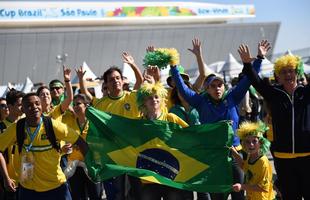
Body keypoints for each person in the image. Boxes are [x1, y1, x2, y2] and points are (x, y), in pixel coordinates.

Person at [170, 40, 271, 200]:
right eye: (213, 86)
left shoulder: (232, 97)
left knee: (238, 194)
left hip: (235, 155)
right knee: (218, 196)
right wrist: (174, 67)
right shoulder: (201, 102)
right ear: (207, 89)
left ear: (224, 87)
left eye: (220, 85)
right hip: (214, 156)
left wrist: (259, 58)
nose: (217, 88)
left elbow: (249, 80)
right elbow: (182, 88)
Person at [241, 50, 310, 199]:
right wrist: (248, 63)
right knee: (290, 196)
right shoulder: (274, 94)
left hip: (307, 155)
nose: (288, 75)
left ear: (297, 72)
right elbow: (255, 80)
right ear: (278, 75)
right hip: (283, 157)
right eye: (283, 72)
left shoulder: (306, 93)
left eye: (291, 71)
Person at [77, 52, 143, 200]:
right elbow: (86, 95)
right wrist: (81, 79)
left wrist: (132, 64)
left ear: (122, 80)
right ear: (105, 84)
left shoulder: (131, 97)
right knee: (119, 193)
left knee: (137, 192)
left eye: (118, 78)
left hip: (134, 153)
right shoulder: (101, 104)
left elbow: (140, 80)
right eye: (111, 80)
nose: (116, 81)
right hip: (114, 156)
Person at [0, 93, 88, 200]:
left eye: (37, 103)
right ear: (23, 109)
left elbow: (80, 141)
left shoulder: (53, 125)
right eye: (29, 105)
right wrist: (6, 178)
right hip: (28, 190)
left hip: (56, 187)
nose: (34, 107)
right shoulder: (17, 127)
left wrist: (90, 165)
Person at [136, 81, 192, 200]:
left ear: (162, 100)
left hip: (172, 174)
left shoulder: (171, 118)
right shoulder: (139, 123)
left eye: (157, 97)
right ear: (143, 102)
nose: (154, 100)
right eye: (149, 98)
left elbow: (191, 134)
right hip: (148, 176)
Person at [62, 94, 102, 200]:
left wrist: (85, 144)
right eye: (74, 104)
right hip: (75, 167)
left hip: (92, 165)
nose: (75, 106)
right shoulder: (69, 122)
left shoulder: (94, 122)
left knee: (95, 196)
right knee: (78, 197)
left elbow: (100, 143)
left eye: (78, 104)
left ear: (86, 105)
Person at [231, 121, 274, 200]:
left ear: (261, 143)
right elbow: (244, 167)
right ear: (243, 144)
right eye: (247, 142)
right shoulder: (249, 156)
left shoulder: (263, 162)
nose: (251, 144)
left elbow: (264, 187)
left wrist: (242, 186)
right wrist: (233, 151)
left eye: (254, 141)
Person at [0, 89, 25, 200]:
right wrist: (6, 178)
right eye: (19, 105)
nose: (22, 107)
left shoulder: (27, 123)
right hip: (10, 182)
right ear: (9, 106)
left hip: (28, 179)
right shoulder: (1, 127)